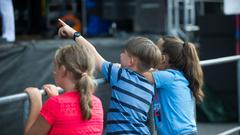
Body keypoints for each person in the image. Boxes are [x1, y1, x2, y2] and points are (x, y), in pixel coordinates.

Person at [58, 19, 162, 134]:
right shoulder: (149, 85)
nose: (121, 54)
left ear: (131, 61)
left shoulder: (119, 75)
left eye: (124, 52)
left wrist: (73, 33)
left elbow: (92, 53)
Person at [24, 44, 104, 135]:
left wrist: (36, 101)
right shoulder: (97, 103)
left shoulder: (55, 104)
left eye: (55, 67)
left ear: (62, 70)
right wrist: (56, 99)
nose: (54, 71)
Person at [144, 36, 204, 135]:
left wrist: (122, 67)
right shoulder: (176, 76)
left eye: (155, 50)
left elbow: (141, 75)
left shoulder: (168, 76)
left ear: (164, 58)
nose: (152, 55)